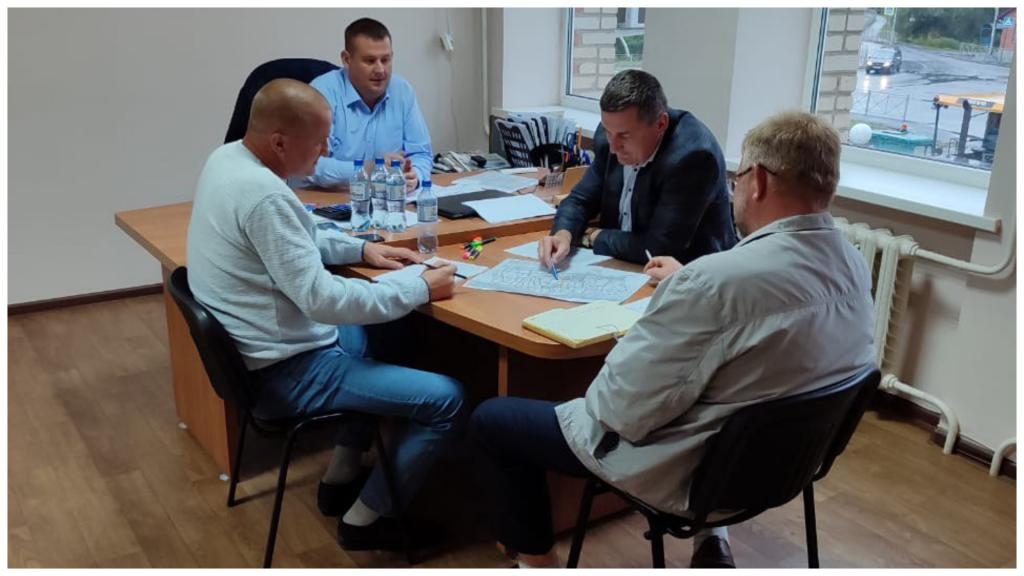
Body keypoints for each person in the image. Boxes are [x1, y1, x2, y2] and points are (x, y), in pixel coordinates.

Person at [472, 111, 876, 568]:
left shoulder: (714, 283)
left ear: (759, 180)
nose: (735, 190)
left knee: (494, 421)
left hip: (698, 477)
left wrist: (677, 305)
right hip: (788, 469)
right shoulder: (853, 264)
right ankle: (712, 542)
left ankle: (538, 565)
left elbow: (616, 410)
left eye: (739, 178)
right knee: (719, 383)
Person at [187, 78, 463, 551]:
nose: (328, 150)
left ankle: (342, 473)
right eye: (319, 141)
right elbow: (324, 301)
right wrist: (420, 287)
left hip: (265, 348)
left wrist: (363, 249)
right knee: (447, 399)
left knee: (377, 334)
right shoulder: (263, 195)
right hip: (286, 371)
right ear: (280, 142)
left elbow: (299, 232)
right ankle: (366, 520)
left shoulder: (229, 160)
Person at [538, 69, 737, 267]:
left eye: (625, 136)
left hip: (689, 274)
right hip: (620, 263)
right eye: (608, 132)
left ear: (661, 124)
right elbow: (580, 200)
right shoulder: (611, 136)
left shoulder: (693, 157)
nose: (614, 147)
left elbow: (659, 248)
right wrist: (563, 234)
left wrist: (593, 237)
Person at [302, 17, 431, 194]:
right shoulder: (322, 92)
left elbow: (421, 153)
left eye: (385, 60)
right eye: (370, 61)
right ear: (347, 59)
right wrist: (368, 169)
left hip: (388, 200)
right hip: (328, 199)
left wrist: (415, 175)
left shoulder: (402, 91)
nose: (380, 70)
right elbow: (309, 164)